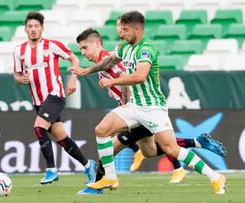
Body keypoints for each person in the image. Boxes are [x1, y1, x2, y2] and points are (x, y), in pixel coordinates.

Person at [71, 11, 226, 194]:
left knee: (170, 149)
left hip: (152, 107)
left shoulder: (147, 49)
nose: (121, 33)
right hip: (134, 106)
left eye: (125, 30)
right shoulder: (125, 47)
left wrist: (111, 82)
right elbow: (109, 62)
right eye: (121, 29)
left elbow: (140, 76)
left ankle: (215, 177)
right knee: (102, 130)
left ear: (137, 29)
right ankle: (110, 178)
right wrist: (85, 71)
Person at [13, 12, 96, 185]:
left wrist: (73, 78)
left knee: (38, 128)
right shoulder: (19, 51)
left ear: (42, 28)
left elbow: (74, 59)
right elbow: (16, 74)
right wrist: (21, 79)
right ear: (25, 29)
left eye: (37, 26)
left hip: (55, 95)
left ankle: (51, 170)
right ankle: (89, 165)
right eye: (30, 26)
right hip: (39, 101)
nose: (33, 29)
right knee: (63, 139)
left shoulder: (52, 46)